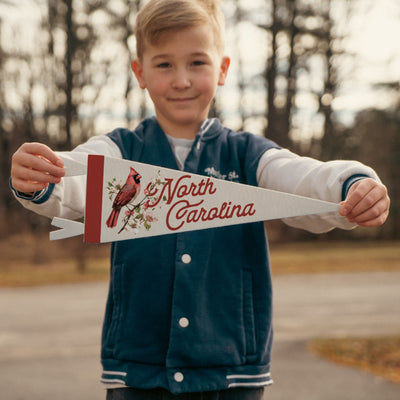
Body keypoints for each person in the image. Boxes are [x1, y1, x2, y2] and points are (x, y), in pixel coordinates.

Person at [10, 0, 390, 399]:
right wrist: (40, 177)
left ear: (222, 69)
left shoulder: (247, 155)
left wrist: (352, 183)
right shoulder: (120, 150)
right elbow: (75, 182)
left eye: (196, 62)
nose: (181, 80)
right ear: (139, 72)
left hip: (231, 374)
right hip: (138, 373)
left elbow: (301, 179)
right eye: (164, 64)